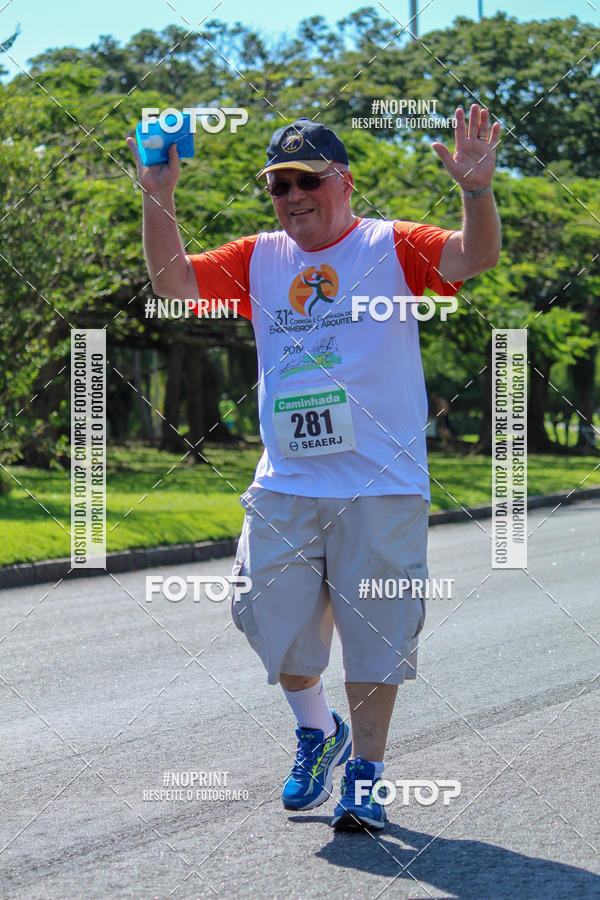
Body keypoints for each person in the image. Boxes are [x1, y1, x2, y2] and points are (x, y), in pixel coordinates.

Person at [126, 105, 501, 831]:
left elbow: (473, 256)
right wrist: (158, 193)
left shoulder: (391, 246)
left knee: (376, 637)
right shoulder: (259, 257)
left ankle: (365, 774)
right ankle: (315, 729)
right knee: (272, 622)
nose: (294, 195)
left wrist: (476, 191)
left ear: (344, 182)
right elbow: (174, 285)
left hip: (381, 484)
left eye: (308, 180)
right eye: (280, 185)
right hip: (287, 483)